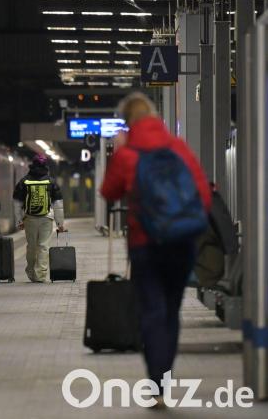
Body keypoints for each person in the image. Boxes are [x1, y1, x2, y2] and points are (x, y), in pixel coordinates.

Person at [100, 92, 211, 407]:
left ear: (127, 122)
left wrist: (119, 152)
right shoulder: (178, 148)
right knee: (171, 311)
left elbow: (108, 192)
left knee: (152, 310)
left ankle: (157, 385)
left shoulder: (128, 154)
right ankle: (165, 377)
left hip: (145, 245)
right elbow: (202, 197)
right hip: (181, 244)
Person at [13, 154, 65, 283]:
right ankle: (40, 274)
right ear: (45, 166)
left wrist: (19, 220)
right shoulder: (51, 181)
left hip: (29, 218)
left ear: (32, 165)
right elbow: (58, 205)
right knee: (43, 246)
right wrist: (60, 223)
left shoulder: (24, 181)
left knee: (31, 246)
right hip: (46, 218)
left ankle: (31, 272)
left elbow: (17, 203)